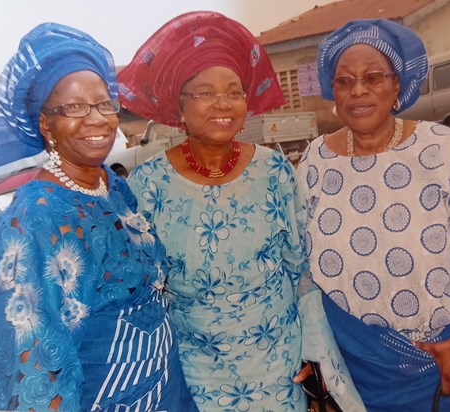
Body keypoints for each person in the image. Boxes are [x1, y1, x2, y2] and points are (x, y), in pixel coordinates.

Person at [118, 11, 364, 411]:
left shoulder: (274, 171)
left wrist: (314, 353)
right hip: (196, 377)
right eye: (205, 92)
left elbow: (302, 274)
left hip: (282, 369)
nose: (223, 103)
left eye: (234, 91)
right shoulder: (146, 186)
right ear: (178, 107)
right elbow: (142, 291)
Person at [0, 22, 198, 411]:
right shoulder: (32, 221)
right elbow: (33, 369)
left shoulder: (112, 187)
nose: (96, 119)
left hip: (167, 389)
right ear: (46, 123)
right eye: (74, 107)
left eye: (103, 104)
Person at [297, 18, 450, 411]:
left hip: (444, 363)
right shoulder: (315, 160)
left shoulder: (442, 148)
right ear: (333, 90)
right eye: (344, 80)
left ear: (397, 85)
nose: (358, 90)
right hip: (352, 372)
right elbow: (298, 262)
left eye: (374, 77)